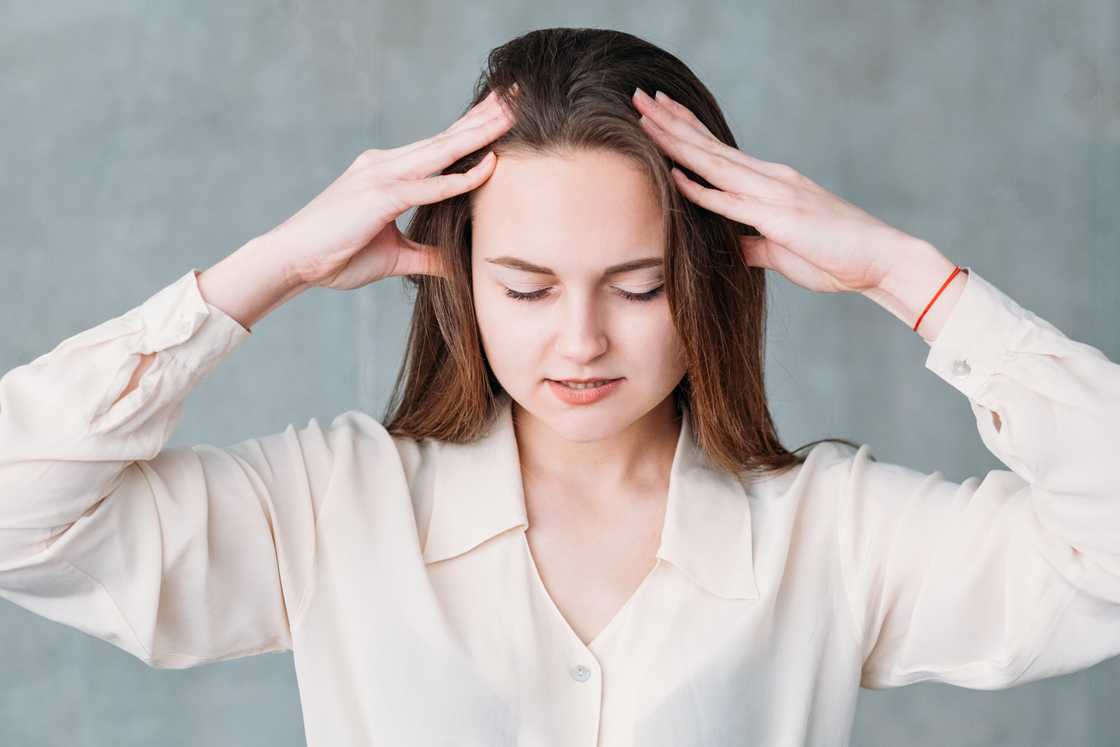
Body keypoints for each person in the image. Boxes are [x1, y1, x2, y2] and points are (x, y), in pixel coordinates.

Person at [1, 26, 1117, 747]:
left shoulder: (827, 534)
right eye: (527, 288)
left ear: (707, 277)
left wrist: (913, 280)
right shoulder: (335, 505)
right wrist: (263, 272)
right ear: (461, 279)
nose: (578, 342)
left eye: (636, 288)